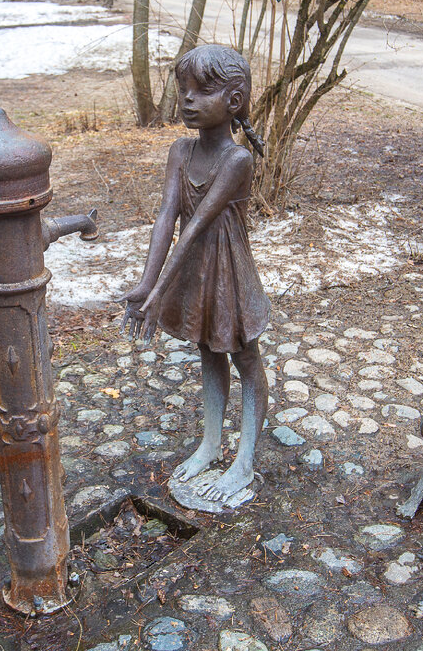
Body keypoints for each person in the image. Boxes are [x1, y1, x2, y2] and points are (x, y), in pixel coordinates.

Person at [121, 44, 271, 505]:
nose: (187, 99)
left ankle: (243, 460)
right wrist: (146, 284)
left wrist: (158, 293)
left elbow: (196, 227)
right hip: (195, 272)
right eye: (183, 89)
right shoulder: (179, 152)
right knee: (209, 349)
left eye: (202, 90)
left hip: (227, 269)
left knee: (244, 356)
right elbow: (166, 218)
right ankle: (211, 443)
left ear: (234, 100)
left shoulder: (237, 161)